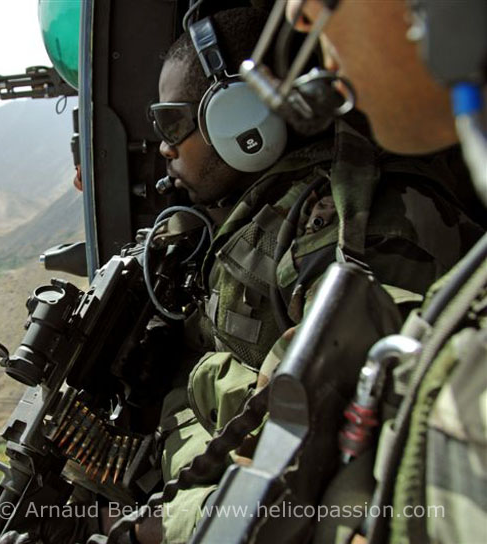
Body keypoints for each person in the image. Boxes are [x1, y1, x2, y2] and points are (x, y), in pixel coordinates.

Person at [144, 4, 483, 543]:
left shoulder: (364, 223)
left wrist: (155, 528)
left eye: (172, 121)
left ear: (237, 119)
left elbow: (327, 481)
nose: (163, 145)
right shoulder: (270, 206)